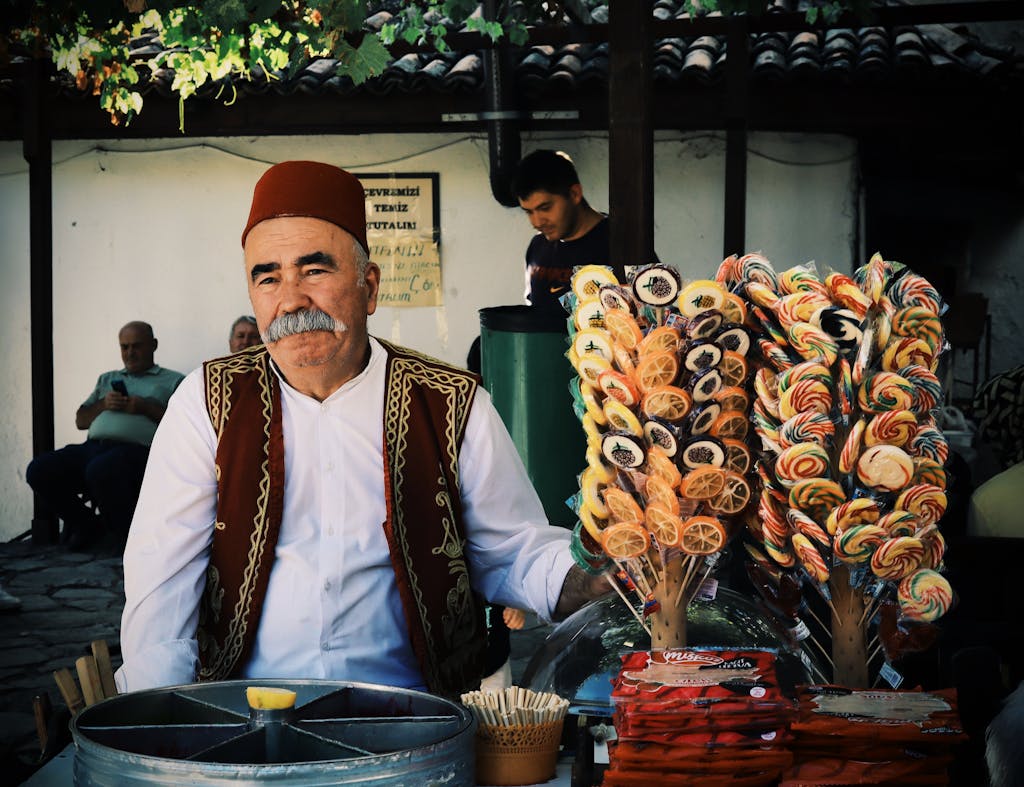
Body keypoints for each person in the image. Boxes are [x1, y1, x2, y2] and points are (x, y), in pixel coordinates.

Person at [116, 160, 608, 697]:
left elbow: (514, 548)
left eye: (314, 270)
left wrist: (588, 580)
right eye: (268, 276)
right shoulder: (207, 402)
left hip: (417, 716)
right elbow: (161, 582)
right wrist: (158, 727)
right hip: (249, 716)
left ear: (368, 286)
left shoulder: (449, 401)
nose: (291, 298)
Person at [26, 322, 184, 550]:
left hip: (140, 453)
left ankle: (125, 539)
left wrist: (145, 408)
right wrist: (103, 404)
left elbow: (182, 425)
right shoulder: (106, 379)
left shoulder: (174, 380)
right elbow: (81, 420)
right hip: (93, 447)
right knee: (39, 470)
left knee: (101, 469)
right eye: (125, 347)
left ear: (154, 345)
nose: (130, 353)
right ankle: (89, 526)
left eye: (137, 346)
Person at [513, 149, 609, 314]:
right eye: (528, 212)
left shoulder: (622, 243)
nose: (536, 222)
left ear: (574, 194)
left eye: (545, 208)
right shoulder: (538, 246)